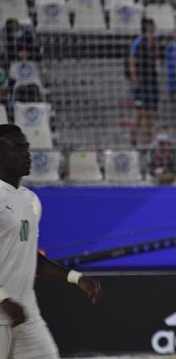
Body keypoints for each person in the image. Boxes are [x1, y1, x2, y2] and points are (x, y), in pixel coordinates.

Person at [0, 124, 102, 358]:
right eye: (17, 147)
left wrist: (76, 278)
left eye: (26, 146)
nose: (27, 152)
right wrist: (3, 301)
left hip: (25, 313)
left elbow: (30, 256)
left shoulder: (30, 200)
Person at [129, 17, 159, 147]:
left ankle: (148, 142)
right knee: (139, 113)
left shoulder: (154, 43)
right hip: (142, 83)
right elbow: (132, 60)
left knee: (150, 114)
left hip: (152, 83)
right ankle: (133, 140)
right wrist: (135, 79)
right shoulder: (138, 42)